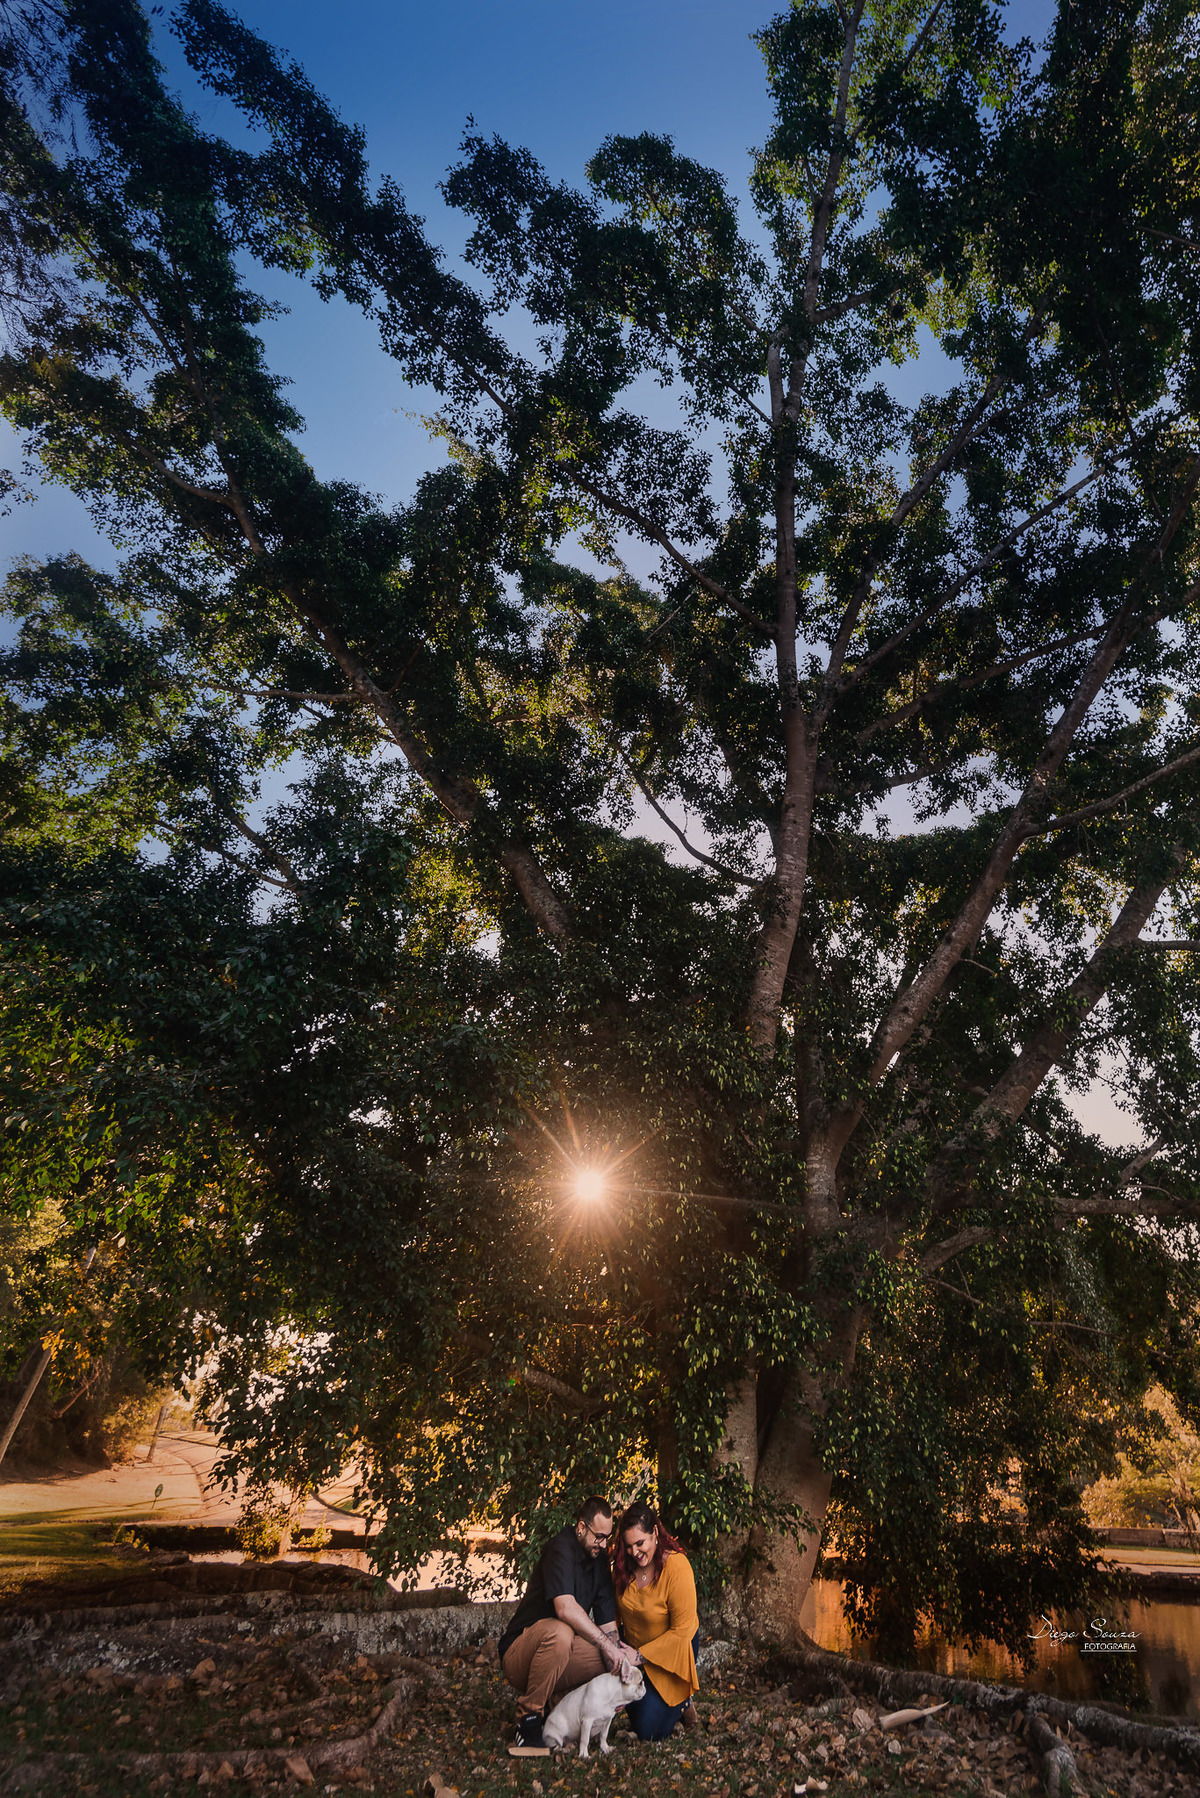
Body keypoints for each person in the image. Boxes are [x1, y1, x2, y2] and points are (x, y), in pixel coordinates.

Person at [499, 1495, 640, 1757]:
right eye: (598, 1536)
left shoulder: (599, 1561)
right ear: (580, 1527)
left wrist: (617, 1667)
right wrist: (607, 1646)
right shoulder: (560, 1548)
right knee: (562, 1632)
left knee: (609, 1656)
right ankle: (528, 1719)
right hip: (519, 1653)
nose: (604, 1543)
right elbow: (564, 1608)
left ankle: (558, 1710)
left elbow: (608, 1628)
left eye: (608, 1537)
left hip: (558, 1655)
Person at [612, 1500, 701, 1741]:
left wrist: (638, 1657)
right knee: (638, 1715)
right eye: (628, 1546)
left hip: (673, 1653)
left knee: (650, 1732)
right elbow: (614, 1617)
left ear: (654, 1533)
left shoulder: (677, 1567)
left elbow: (682, 1632)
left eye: (640, 1543)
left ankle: (683, 1701)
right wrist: (616, 1657)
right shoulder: (623, 1567)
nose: (634, 1552)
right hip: (633, 1654)